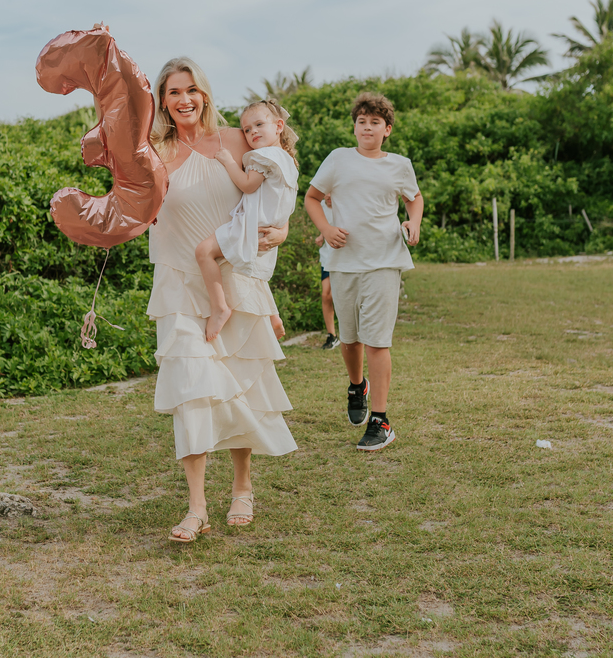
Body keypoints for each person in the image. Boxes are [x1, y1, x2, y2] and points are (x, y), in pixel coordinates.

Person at [147, 57, 297, 543]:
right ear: (162, 100)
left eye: (191, 89)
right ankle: (196, 508)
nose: (184, 99)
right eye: (173, 92)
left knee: (239, 387)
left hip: (234, 278)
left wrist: (284, 229)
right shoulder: (154, 150)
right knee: (189, 387)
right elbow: (130, 204)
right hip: (178, 282)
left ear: (205, 94)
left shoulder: (237, 139)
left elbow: (277, 188)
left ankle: (242, 487)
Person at [303, 91, 422, 451]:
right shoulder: (338, 159)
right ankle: (358, 386)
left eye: (375, 122)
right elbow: (311, 198)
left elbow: (414, 198)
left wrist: (413, 222)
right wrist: (326, 229)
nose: (367, 127)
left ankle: (380, 420)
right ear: (354, 127)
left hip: (385, 260)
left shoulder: (399, 165)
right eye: (361, 121)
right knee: (350, 339)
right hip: (343, 262)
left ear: (387, 129)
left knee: (377, 341)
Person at [195, 99, 299, 342]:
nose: (253, 132)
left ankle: (219, 307)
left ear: (279, 126)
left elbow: (248, 185)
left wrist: (229, 161)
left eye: (259, 124)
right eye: (247, 129)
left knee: (203, 252)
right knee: (252, 271)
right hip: (269, 226)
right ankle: (272, 315)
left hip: (252, 224)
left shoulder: (264, 155)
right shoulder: (287, 160)